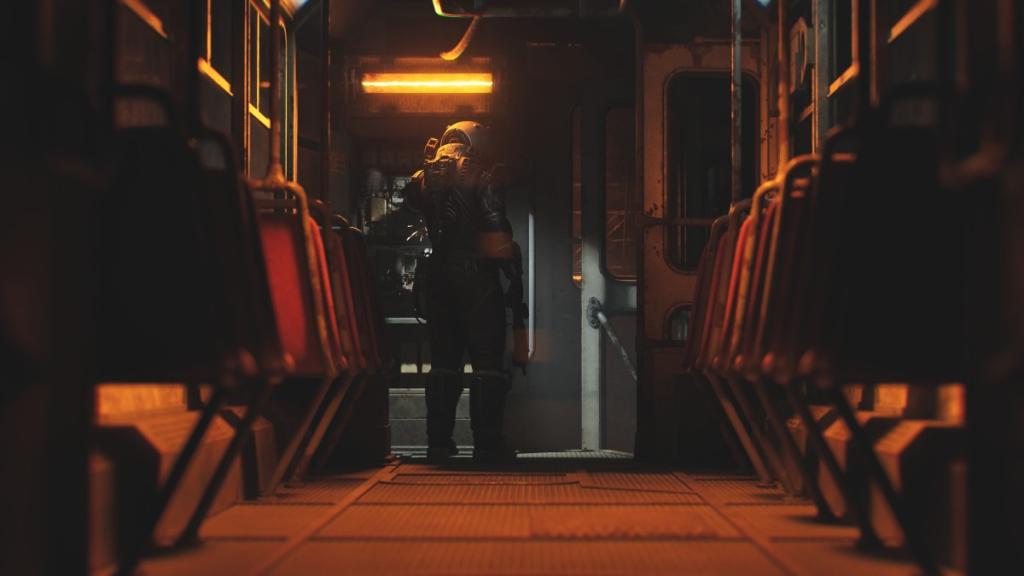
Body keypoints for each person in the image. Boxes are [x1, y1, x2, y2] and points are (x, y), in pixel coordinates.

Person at [403, 121, 518, 462]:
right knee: (487, 362)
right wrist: (509, 264)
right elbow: (496, 231)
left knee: (443, 362)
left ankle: (438, 442)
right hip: (476, 278)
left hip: (438, 277)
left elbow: (410, 205)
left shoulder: (423, 177)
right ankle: (486, 443)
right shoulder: (482, 176)